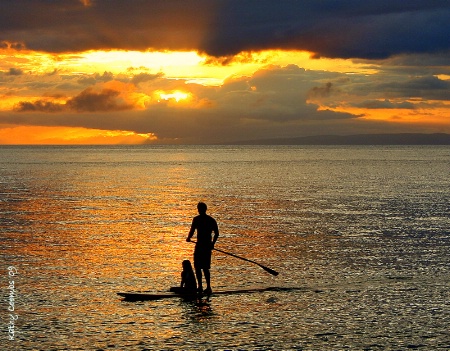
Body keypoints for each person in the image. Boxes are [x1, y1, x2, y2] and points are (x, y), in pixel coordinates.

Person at [186, 202, 219, 295]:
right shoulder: (208, 220)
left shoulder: (200, 219)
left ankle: (207, 287)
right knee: (199, 267)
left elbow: (216, 233)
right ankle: (201, 287)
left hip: (204, 246)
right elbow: (216, 233)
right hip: (204, 246)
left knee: (203, 268)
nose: (198, 210)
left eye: (199, 208)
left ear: (202, 209)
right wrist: (189, 237)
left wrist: (212, 244)